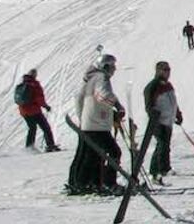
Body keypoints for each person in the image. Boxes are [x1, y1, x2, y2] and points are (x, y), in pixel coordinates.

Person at [66, 55, 125, 195]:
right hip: (97, 125)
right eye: (112, 66)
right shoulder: (101, 78)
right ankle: (108, 183)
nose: (114, 69)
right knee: (113, 152)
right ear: (105, 66)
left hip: (90, 124)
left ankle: (83, 182)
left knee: (90, 154)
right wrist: (118, 106)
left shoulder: (90, 79)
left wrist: (83, 120)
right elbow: (103, 96)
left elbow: (78, 99)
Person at [142, 61, 181, 185]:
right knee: (162, 145)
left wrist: (178, 114)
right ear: (159, 71)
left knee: (165, 146)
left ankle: (163, 168)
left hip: (168, 120)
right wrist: (152, 114)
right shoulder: (153, 85)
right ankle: (156, 171)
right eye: (165, 70)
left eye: (169, 70)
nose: (168, 72)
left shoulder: (168, 85)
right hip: (158, 121)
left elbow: (173, 102)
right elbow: (148, 103)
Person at [14, 68, 60, 152]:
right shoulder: (35, 85)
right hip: (34, 111)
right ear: (35, 75)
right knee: (45, 128)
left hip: (24, 111)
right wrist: (46, 106)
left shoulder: (22, 84)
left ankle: (29, 147)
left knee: (32, 128)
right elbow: (39, 99)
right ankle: (50, 145)